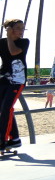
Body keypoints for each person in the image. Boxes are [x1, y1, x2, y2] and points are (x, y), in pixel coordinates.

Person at [0, 19, 28, 151]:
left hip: (17, 80)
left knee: (6, 109)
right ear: (10, 29)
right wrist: (7, 37)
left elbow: (13, 52)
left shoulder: (23, 42)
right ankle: (15, 139)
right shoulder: (1, 43)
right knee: (4, 109)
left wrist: (9, 37)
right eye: (18, 28)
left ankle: (2, 141)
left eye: (23, 28)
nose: (21, 31)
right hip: (3, 79)